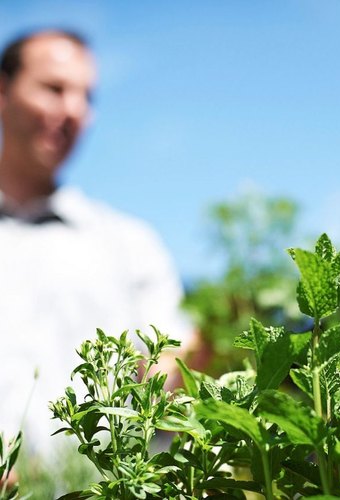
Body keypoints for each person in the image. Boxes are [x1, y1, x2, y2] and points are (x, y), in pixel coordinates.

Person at [0, 29, 196, 456]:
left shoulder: (129, 244)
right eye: (54, 89)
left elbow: (169, 369)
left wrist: (192, 362)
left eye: (87, 97)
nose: (74, 109)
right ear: (3, 91)